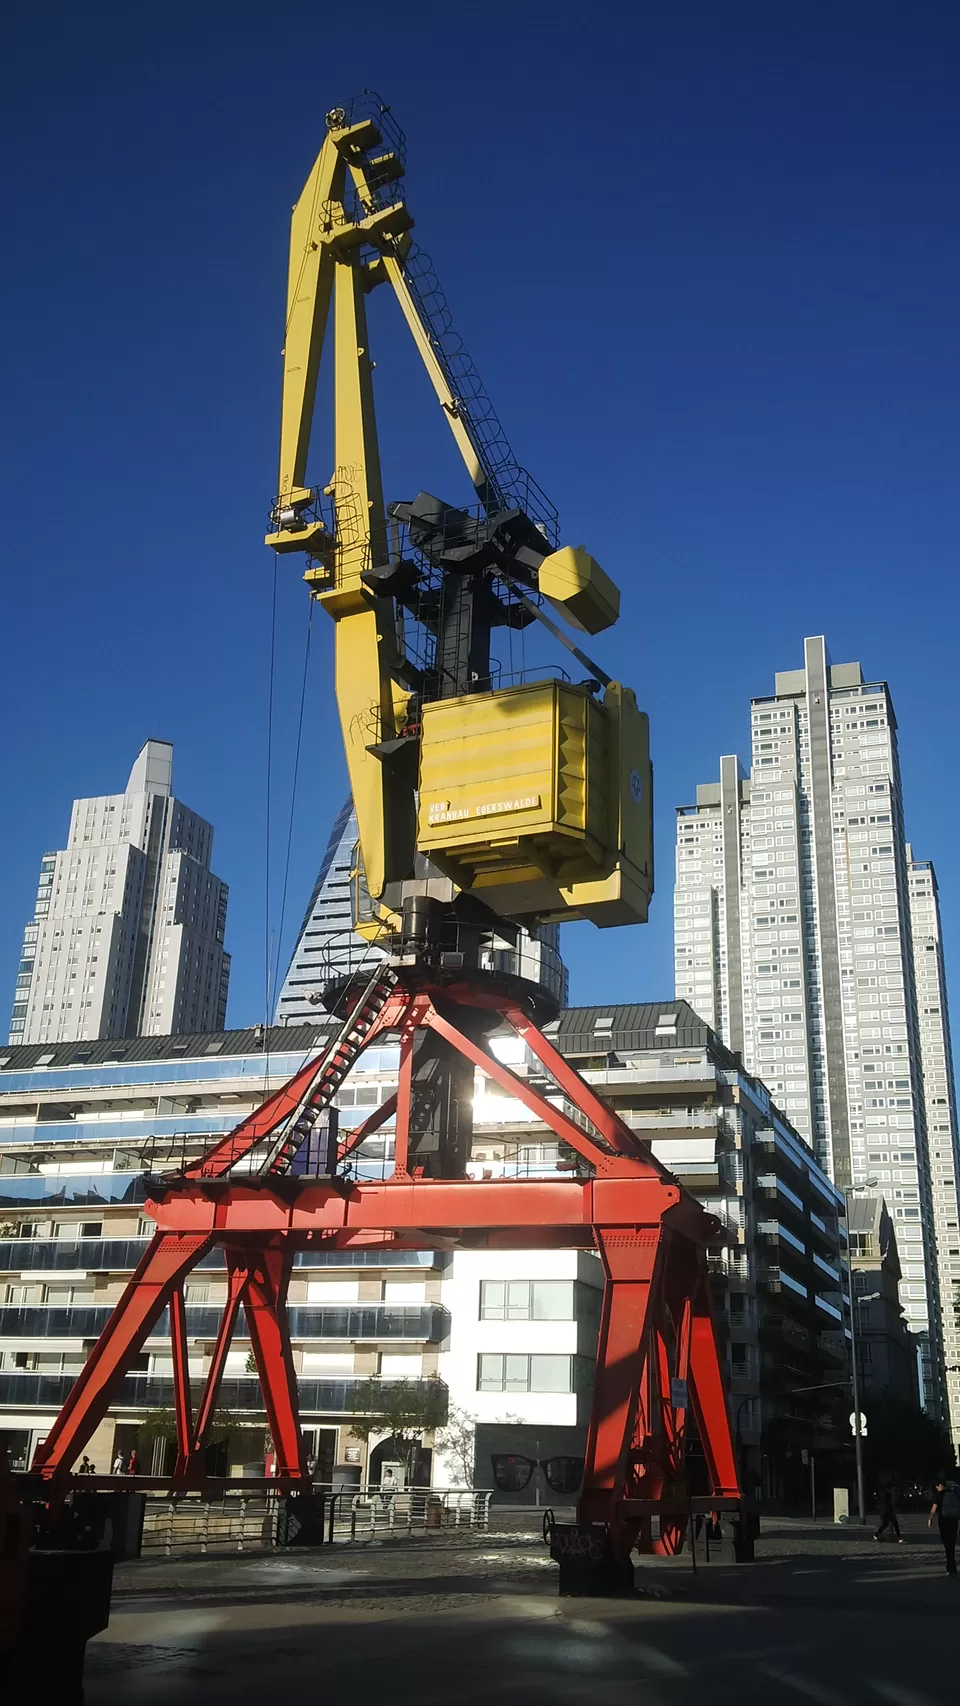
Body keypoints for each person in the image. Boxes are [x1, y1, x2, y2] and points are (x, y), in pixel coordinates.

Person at [928, 1476, 960, 1574]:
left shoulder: (939, 1495)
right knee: (952, 1544)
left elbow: (934, 1508)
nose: (937, 1489)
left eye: (937, 1487)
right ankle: (952, 1567)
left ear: (940, 1486)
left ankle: (950, 1567)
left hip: (944, 1521)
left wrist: (930, 1518)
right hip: (954, 1521)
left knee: (947, 1545)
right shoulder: (955, 1493)